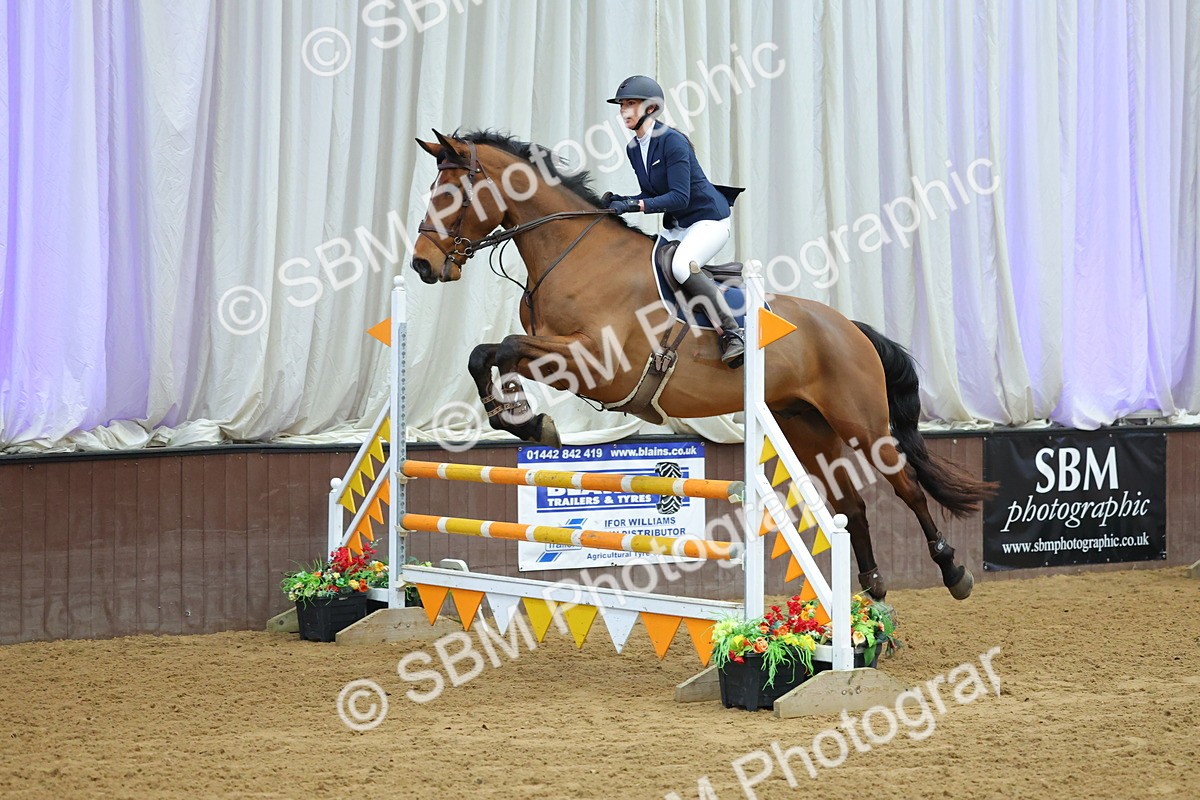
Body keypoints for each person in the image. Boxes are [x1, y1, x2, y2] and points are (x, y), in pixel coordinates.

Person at [602, 75, 745, 368]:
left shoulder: (672, 141)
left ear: (651, 108)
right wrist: (624, 199)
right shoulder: (634, 149)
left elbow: (679, 196)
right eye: (621, 106)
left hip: (709, 220)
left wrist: (633, 205)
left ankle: (733, 333)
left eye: (631, 104)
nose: (624, 111)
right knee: (648, 265)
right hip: (678, 224)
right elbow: (653, 193)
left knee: (681, 266)